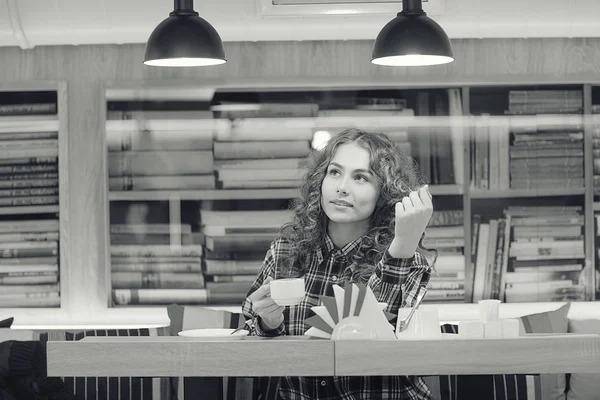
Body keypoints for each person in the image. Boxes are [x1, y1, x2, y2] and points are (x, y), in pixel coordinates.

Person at [241, 128, 436, 400]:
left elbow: (380, 336)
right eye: (334, 172)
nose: (342, 187)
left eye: (360, 177)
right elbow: (247, 338)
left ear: (384, 193)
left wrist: (401, 248)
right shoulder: (285, 250)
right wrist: (269, 324)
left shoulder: (406, 259)